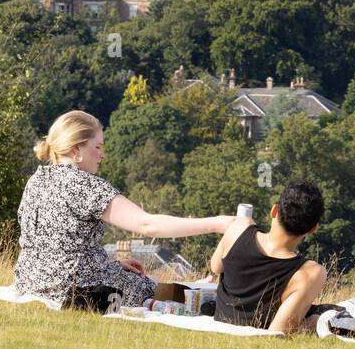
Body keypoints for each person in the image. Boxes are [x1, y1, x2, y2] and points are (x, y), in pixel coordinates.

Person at [15, 110, 234, 312]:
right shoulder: (87, 186)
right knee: (148, 286)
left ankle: (193, 286)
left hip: (30, 282)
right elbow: (147, 225)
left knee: (132, 276)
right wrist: (218, 224)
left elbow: (56, 248)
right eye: (98, 147)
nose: (102, 155)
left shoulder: (37, 180)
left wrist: (110, 266)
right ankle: (195, 289)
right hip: (73, 289)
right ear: (76, 150)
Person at [210, 181, 336, 334]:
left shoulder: (238, 229)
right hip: (256, 335)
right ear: (313, 229)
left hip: (221, 322)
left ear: (274, 210)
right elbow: (280, 331)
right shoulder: (310, 272)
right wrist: (315, 323)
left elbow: (215, 267)